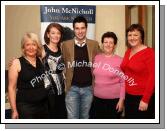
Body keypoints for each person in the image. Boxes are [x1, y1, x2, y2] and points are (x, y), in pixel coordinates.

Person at [62, 16, 101, 119]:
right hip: (72, 89)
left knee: (85, 117)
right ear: (74, 29)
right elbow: (59, 59)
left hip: (88, 89)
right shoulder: (65, 45)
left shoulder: (94, 44)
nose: (80, 31)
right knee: (72, 118)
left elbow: (101, 60)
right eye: (77, 28)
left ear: (86, 28)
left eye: (82, 28)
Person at [8, 32, 48, 119]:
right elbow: (12, 88)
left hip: (43, 105)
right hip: (26, 108)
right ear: (23, 47)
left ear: (37, 46)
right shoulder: (16, 63)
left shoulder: (41, 59)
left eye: (34, 44)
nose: (31, 48)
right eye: (27, 44)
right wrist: (14, 110)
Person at [120, 24, 155, 119]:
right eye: (129, 35)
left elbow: (153, 77)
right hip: (129, 95)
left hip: (142, 97)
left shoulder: (149, 53)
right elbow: (125, 70)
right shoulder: (128, 52)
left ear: (141, 37)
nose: (132, 38)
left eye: (135, 35)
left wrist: (145, 100)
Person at [90, 32, 125, 119]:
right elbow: (93, 76)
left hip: (114, 101)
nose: (108, 45)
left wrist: (121, 100)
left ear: (114, 45)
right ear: (102, 44)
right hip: (97, 100)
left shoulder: (120, 60)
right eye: (105, 42)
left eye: (111, 42)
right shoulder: (96, 58)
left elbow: (123, 82)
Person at [42, 23, 67, 119]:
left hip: (61, 90)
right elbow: (28, 60)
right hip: (47, 92)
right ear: (48, 34)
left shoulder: (62, 49)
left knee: (61, 116)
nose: (56, 36)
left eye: (58, 33)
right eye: (53, 33)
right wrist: (15, 61)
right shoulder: (42, 49)